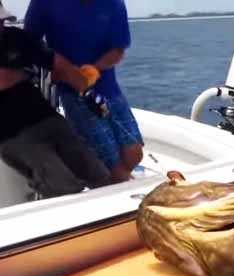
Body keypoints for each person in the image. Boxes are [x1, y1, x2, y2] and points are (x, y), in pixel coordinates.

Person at [25, 0, 144, 183]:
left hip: (109, 89)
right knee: (112, 164)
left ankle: (119, 181)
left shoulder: (113, 3)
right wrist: (61, 70)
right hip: (73, 94)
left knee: (134, 154)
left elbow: (118, 49)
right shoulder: (44, 3)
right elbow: (28, 43)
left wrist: (93, 70)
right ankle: (117, 190)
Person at [0, 1, 110, 198]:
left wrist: (86, 90)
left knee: (99, 175)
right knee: (62, 187)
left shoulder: (17, 39)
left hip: (45, 117)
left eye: (1, 22)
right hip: (11, 134)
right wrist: (22, 73)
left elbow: (58, 64)